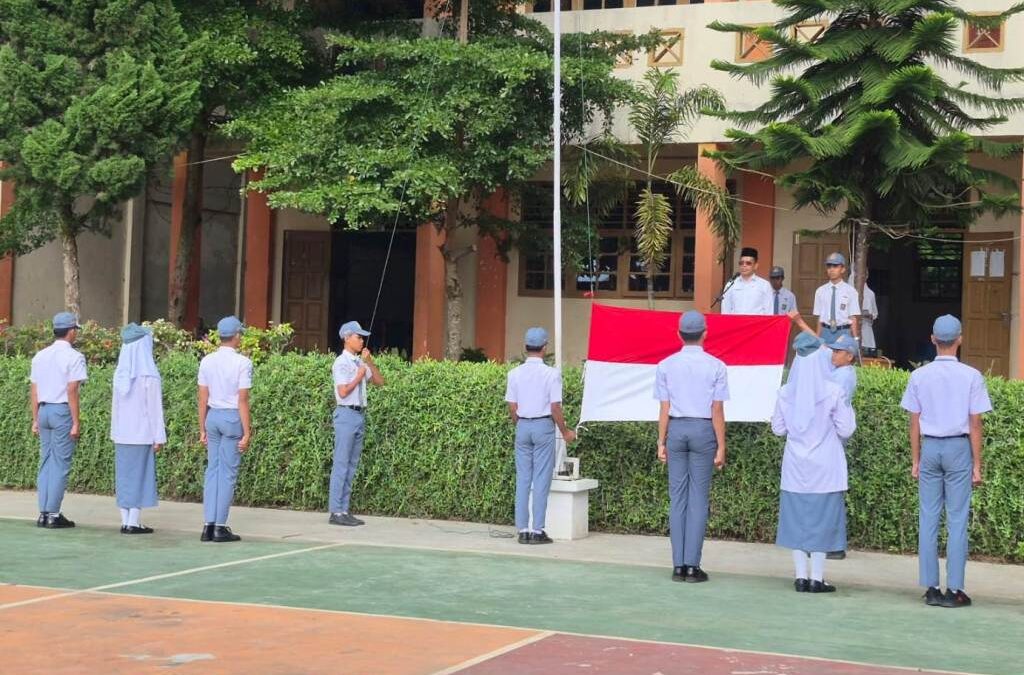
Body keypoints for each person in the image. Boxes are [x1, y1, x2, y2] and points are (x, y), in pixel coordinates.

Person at [901, 315, 992, 609]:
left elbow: (913, 422)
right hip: (958, 448)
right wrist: (977, 464)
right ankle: (955, 589)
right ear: (960, 340)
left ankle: (930, 587)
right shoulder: (972, 376)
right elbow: (975, 423)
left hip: (930, 448)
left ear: (932, 339)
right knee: (957, 520)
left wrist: (916, 459)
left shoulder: (919, 376)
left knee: (928, 517)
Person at [772, 332, 856, 593]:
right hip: (826, 466)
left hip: (796, 465)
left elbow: (778, 428)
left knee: (797, 519)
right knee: (822, 521)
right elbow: (846, 429)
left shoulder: (786, 392)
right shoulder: (833, 391)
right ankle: (817, 578)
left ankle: (800, 576)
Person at [654, 311, 728, 582]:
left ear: (679, 334)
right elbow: (717, 409)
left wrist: (661, 442)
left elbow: (664, 408)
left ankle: (677, 566)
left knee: (678, 499)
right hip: (703, 428)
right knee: (698, 499)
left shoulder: (665, 365)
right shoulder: (716, 366)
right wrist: (721, 446)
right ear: (705, 333)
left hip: (676, 428)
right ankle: (692, 566)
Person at [505, 327, 576, 545]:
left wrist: (521, 423)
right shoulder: (551, 374)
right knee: (541, 479)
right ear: (544, 348)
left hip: (523, 426)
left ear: (526, 348)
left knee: (523, 478)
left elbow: (512, 406)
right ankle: (537, 530)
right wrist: (565, 431)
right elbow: (555, 407)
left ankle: (523, 530)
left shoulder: (514, 374)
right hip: (543, 426)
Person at [30, 312, 88, 529]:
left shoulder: (40, 356)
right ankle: (54, 513)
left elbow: (34, 390)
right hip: (61, 411)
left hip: (43, 410)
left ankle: (43, 513)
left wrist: (35, 418)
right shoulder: (74, 357)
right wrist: (76, 421)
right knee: (60, 463)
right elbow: (72, 389)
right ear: (71, 331)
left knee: (45, 461)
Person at [197, 316, 253, 543]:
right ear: (237, 336)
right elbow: (243, 400)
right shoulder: (243, 363)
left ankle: (208, 525)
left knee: (212, 471)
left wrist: (201, 427)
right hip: (231, 418)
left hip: (212, 417)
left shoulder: (207, 360)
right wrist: (247, 431)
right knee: (228, 474)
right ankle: (220, 526)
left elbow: (202, 398)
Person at [111, 324, 166, 534]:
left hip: (122, 434)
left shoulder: (120, 373)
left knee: (125, 477)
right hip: (142, 433)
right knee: (140, 476)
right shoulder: (149, 374)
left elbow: (115, 408)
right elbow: (154, 410)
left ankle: (126, 520)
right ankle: (133, 521)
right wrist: (158, 436)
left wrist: (114, 432)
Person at [329, 321, 384, 527]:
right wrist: (359, 375)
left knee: (351, 465)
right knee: (341, 464)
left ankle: (344, 509)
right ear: (347, 338)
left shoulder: (359, 362)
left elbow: (379, 381)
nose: (362, 340)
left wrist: (369, 363)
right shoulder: (341, 363)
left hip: (359, 415)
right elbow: (343, 392)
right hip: (346, 414)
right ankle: (336, 511)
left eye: (362, 337)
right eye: (358, 337)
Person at [813, 252, 861, 345]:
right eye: (829, 266)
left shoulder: (850, 291)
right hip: (825, 331)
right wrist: (818, 339)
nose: (831, 269)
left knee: (841, 359)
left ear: (842, 269)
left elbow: (853, 318)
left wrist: (855, 339)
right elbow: (819, 318)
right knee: (824, 359)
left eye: (835, 266)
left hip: (843, 332)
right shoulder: (820, 291)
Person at [721, 247, 773, 315]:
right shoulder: (731, 284)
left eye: (748, 263)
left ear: (756, 266)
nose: (744, 265)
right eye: (741, 263)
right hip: (736, 324)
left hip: (756, 325)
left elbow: (768, 312)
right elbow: (725, 310)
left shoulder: (764, 285)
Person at [826, 334, 858, 405]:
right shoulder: (845, 369)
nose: (833, 354)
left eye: (837, 352)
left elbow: (832, 403)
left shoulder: (843, 374)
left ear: (849, 357)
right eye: (833, 351)